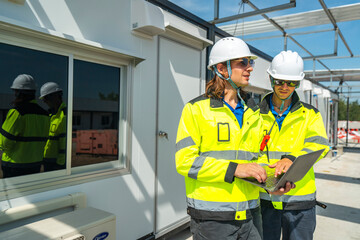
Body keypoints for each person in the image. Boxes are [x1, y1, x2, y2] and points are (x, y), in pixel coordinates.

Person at [175, 37, 292, 240]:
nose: (250, 68)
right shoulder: (195, 110)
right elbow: (185, 162)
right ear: (222, 68)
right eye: (243, 63)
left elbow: (255, 160)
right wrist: (235, 168)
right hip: (213, 219)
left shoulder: (252, 112)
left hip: (251, 213)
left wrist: (272, 183)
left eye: (250, 62)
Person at [258, 50, 330, 240]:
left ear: (298, 83)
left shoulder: (310, 114)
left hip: (300, 200)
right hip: (265, 197)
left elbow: (319, 145)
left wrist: (291, 158)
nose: (285, 87)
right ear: (270, 78)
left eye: (291, 83)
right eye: (279, 81)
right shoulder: (253, 114)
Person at [0, 74, 50, 178]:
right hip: (35, 165)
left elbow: (5, 143)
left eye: (15, 91)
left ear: (19, 93)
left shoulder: (17, 113)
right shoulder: (45, 115)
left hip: (15, 166)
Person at [40, 82, 67, 171]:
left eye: (46, 98)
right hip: (47, 161)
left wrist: (60, 164)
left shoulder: (64, 116)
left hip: (56, 164)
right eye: (43, 98)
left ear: (55, 96)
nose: (44, 101)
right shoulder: (49, 115)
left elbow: (63, 144)